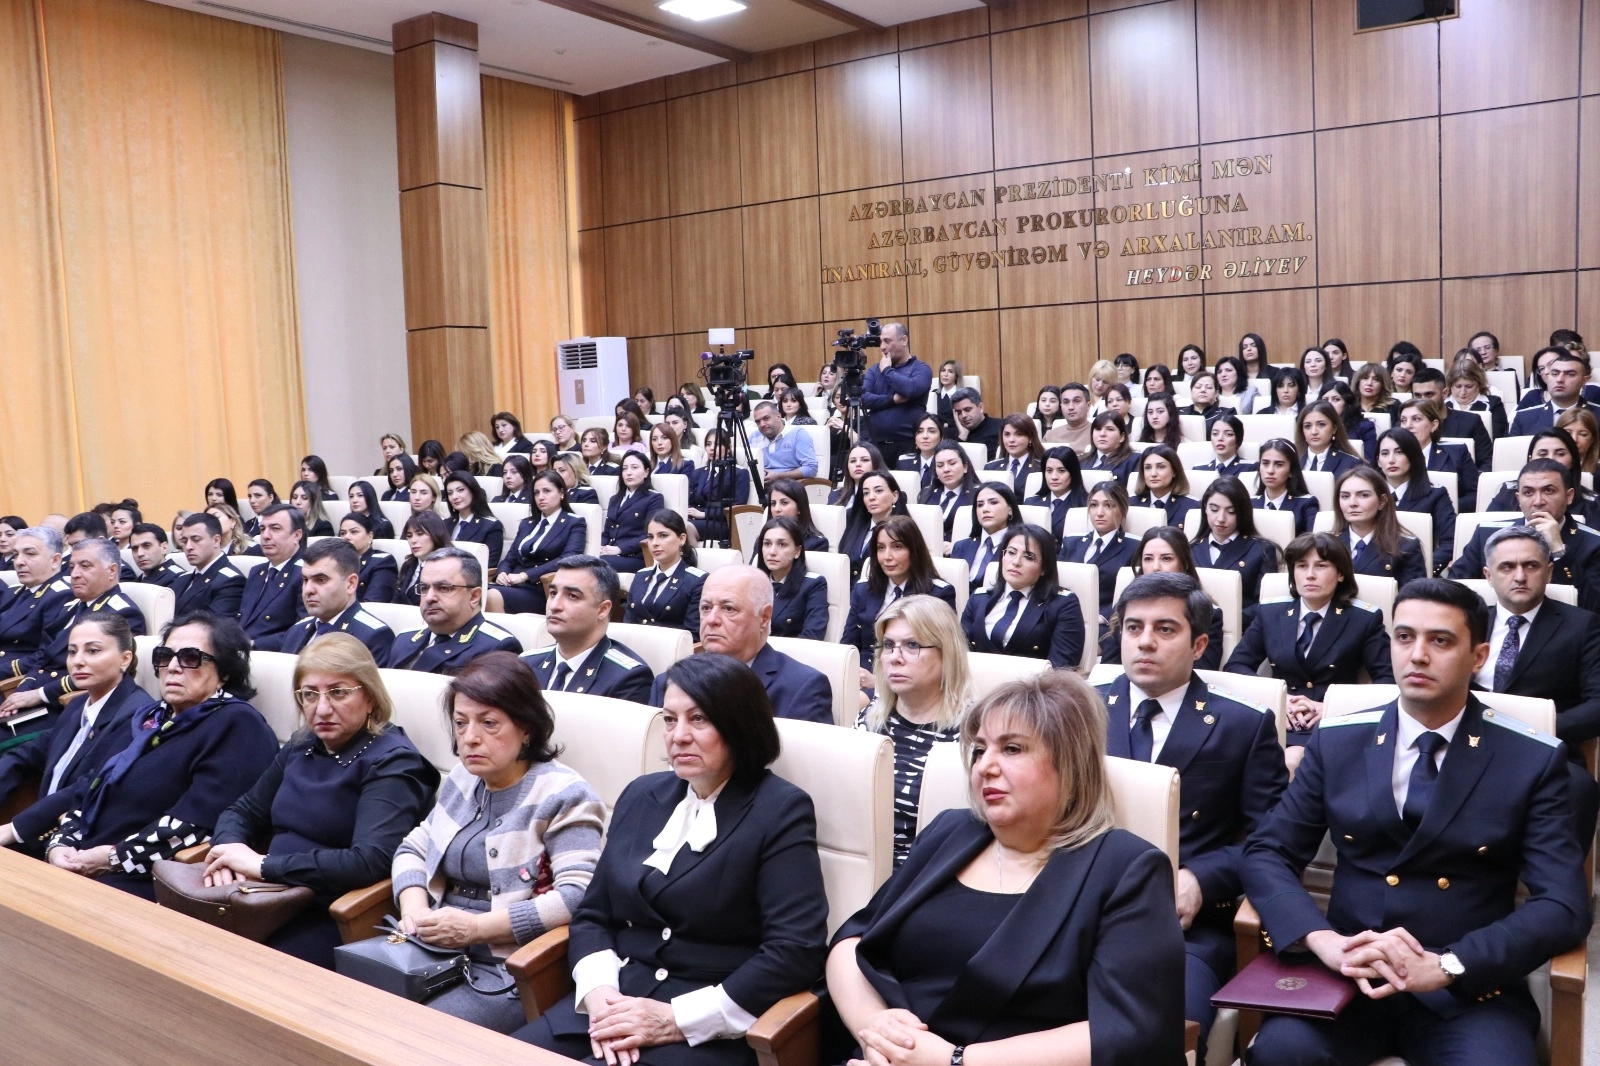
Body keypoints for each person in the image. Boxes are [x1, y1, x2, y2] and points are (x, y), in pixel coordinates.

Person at [1242, 579, 1591, 1066]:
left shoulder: (1530, 758)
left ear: (1479, 656)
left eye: (1440, 641)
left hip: (1466, 991)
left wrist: (1450, 965)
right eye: (1404, 637)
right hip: (1349, 972)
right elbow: (1267, 850)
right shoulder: (1339, 740)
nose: (1418, 655)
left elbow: (1563, 904)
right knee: (1279, 1055)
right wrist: (1321, 940)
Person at [826, 670, 1187, 1066]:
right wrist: (876, 1027)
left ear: (1070, 764)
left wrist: (954, 1060)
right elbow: (854, 939)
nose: (985, 767)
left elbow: (1128, 1026)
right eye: (979, 750)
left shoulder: (1127, 868)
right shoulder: (950, 831)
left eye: (1012, 749)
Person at [518, 653, 829, 1063]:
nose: (678, 735)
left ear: (741, 726)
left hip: (708, 1024)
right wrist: (600, 994)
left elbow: (795, 949)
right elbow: (594, 914)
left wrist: (675, 1019)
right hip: (613, 1003)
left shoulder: (781, 809)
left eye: (698, 719)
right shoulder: (641, 795)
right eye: (669, 719)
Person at [1097, 572, 1287, 1060]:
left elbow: (1275, 840)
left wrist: (1203, 877)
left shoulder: (1243, 724)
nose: (1144, 641)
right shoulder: (1082, 710)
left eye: (1165, 629)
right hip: (1080, 907)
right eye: (1133, 627)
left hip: (1186, 927)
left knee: (1161, 1035)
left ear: (1199, 643)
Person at [395, 652, 604, 1032]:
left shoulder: (564, 794)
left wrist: (475, 930)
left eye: (489, 723)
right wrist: (414, 910)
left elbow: (578, 895)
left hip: (508, 966)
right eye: (461, 723)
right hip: (431, 948)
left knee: (416, 1031)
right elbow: (413, 847)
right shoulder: (463, 778)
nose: (470, 737)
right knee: (354, 1006)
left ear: (526, 729)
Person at [201, 635, 438, 967]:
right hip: (259, 895)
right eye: (310, 694)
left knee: (240, 969)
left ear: (370, 697)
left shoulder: (393, 763)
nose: (322, 708)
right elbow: (243, 810)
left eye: (338, 692)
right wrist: (228, 856)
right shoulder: (303, 745)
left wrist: (263, 866)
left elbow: (369, 861)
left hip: (329, 911)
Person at [42, 613, 279, 899]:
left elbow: (196, 827)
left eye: (191, 658)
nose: (174, 667)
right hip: (86, 860)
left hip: (149, 879)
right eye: (165, 656)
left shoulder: (238, 725)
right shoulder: (150, 717)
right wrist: (61, 844)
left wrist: (113, 858)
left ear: (225, 672)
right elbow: (92, 789)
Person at [1474, 525, 1600, 842]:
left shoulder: (1582, 626)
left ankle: (1558, 889)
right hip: (1468, 742)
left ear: (1548, 571)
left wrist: (1535, 726)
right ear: (1489, 575)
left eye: (1530, 566)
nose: (1519, 576)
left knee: (1579, 789)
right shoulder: (1467, 623)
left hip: (1543, 749)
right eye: (1507, 567)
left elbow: (1597, 705)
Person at [0, 613, 157, 856]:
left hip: (77, 845)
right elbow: (27, 755)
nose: (78, 661)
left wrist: (15, 829)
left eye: (93, 651)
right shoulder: (77, 705)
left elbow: (89, 787)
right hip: (38, 830)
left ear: (125, 659)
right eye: (72, 652)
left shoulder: (137, 714)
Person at [1226, 532, 1392, 756]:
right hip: (1278, 719)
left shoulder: (1363, 619)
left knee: (1293, 759)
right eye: (1302, 566)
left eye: (1321, 566)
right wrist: (1277, 699)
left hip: (1331, 722)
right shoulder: (1271, 612)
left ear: (1340, 573)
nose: (1310, 575)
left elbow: (1388, 682)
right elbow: (1236, 666)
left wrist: (1334, 707)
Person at [858, 595, 971, 865]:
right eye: (888, 646)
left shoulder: (975, 733)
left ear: (947, 654)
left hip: (930, 873)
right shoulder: (871, 719)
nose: (895, 658)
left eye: (912, 645)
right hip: (862, 864)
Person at [650, 565, 832, 724]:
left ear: (764, 617)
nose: (711, 620)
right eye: (706, 608)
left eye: (728, 608)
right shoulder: (667, 682)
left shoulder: (803, 688)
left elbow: (798, 763)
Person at [1, 538, 147, 715]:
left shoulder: (122, 613)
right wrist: (22, 690)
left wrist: (39, 694)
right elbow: (42, 657)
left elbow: (104, 674)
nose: (75, 574)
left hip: (68, 706)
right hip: (33, 697)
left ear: (112, 570)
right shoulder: (68, 608)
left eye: (85, 566)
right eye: (72, 567)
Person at [1450, 461, 1600, 614]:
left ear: (1569, 496)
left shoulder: (1593, 544)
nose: (1538, 502)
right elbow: (1454, 592)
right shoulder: (1486, 534)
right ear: (1518, 498)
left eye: (1548, 491)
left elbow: (1594, 607)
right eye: (1528, 493)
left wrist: (1559, 551)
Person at [521, 556, 653, 702]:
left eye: (572, 596)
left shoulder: (627, 678)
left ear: (603, 609)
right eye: (553, 593)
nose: (554, 606)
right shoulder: (525, 664)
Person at [1099, 527, 1224, 671]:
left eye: (1166, 558)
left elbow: (1203, 673)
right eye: (1148, 559)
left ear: (1185, 564)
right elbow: (1108, 669)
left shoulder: (1209, 613)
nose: (1155, 567)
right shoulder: (1127, 608)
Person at [961, 523, 1084, 669]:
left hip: (1032, 689)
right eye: (1011, 552)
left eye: (1028, 557)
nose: (1016, 562)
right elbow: (958, 653)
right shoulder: (979, 598)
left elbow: (1061, 670)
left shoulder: (1063, 604)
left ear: (1044, 568)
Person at [845, 517, 957, 672]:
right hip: (862, 676)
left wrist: (878, 683)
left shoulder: (938, 594)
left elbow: (943, 657)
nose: (887, 557)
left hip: (912, 679)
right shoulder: (863, 590)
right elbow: (848, 645)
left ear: (914, 550)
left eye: (897, 547)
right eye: (881, 548)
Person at [385, 548, 521, 672]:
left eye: (444, 588)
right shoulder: (404, 639)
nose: (429, 598)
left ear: (474, 596)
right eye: (424, 588)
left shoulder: (496, 648)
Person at [278, 538, 395, 660]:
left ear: (350, 584)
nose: (308, 590)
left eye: (321, 580)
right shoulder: (296, 631)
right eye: (305, 580)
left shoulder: (372, 637)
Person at [494, 471, 587, 615]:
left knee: (492, 596)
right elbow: (510, 557)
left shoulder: (574, 523)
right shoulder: (527, 523)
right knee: (473, 592)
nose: (541, 497)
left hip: (541, 588)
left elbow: (568, 559)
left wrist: (525, 575)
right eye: (536, 493)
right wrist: (502, 573)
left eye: (547, 491)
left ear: (561, 493)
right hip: (512, 584)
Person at [1191, 476, 1278, 617]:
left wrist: (1230, 621)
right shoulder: (1190, 549)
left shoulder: (1261, 550)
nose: (1221, 518)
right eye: (1214, 509)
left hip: (1241, 629)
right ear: (1205, 509)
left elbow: (1266, 604)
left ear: (1242, 513)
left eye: (1231, 512)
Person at [1375, 427, 1456, 577]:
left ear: (1413, 456)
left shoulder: (1435, 495)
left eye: (1399, 452)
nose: (1391, 460)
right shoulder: (1368, 496)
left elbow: (1450, 542)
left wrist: (1424, 570)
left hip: (1419, 576)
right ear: (1378, 461)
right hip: (1374, 573)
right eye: (1385, 453)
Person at [1333, 467, 1426, 587]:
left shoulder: (1406, 547)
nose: (1352, 503)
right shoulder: (1327, 544)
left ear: (1382, 501)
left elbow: (1413, 600)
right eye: (1345, 496)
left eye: (1363, 495)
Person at [0, 526, 72, 682]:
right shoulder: (15, 592)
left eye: (30, 554)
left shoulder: (61, 596)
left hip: (16, 682)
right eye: (15, 554)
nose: (18, 562)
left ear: (55, 560)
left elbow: (46, 655)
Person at [1057, 481, 1137, 618]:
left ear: (1123, 510)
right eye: (1094, 505)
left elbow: (1133, 594)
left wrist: (1106, 617)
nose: (1099, 513)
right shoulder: (1071, 542)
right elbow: (1056, 584)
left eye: (1109, 505)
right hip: (1064, 615)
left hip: (1105, 621)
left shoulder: (1135, 547)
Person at [624, 512, 706, 640]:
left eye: (663, 536)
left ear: (682, 539)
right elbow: (627, 626)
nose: (655, 543)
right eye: (650, 537)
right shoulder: (640, 576)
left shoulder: (696, 581)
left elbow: (693, 636)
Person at [862, 321, 933, 466]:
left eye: (887, 341)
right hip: (876, 446)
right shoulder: (875, 370)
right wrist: (892, 399)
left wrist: (887, 371)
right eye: (881, 342)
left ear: (904, 340)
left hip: (908, 445)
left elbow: (910, 389)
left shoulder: (920, 368)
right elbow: (863, 398)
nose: (882, 347)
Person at [237, 503, 305, 651]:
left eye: (275, 528)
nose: (266, 536)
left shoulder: (306, 574)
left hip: (274, 657)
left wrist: (254, 645)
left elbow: (304, 632)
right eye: (262, 529)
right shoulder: (256, 572)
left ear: (297, 535)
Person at [754, 517, 828, 640]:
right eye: (767, 544)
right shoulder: (753, 583)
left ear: (797, 551)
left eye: (782, 544)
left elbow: (812, 636)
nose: (772, 552)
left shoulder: (813, 584)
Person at [1410, 368, 1492, 476]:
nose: (1423, 401)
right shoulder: (1406, 425)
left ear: (1444, 393)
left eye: (1429, 395)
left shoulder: (1471, 422)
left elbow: (1487, 463)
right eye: (1417, 395)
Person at [1510, 346, 1600, 435]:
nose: (1559, 379)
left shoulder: (1597, 414)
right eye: (1555, 374)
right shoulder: (1524, 418)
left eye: (1570, 374)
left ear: (1584, 380)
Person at [950, 482, 1021, 594]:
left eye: (993, 502)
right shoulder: (961, 546)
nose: (985, 509)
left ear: (1010, 509)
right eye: (980, 505)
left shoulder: (1019, 549)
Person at [600, 452, 662, 574]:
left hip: (635, 556)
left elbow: (650, 534)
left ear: (646, 472)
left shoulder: (653, 498)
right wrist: (601, 547)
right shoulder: (615, 499)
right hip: (610, 554)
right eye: (624, 468)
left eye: (634, 467)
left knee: (596, 563)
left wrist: (620, 549)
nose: (628, 472)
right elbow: (607, 531)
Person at [841, 470, 907, 582]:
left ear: (894, 496)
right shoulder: (855, 524)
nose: (871, 497)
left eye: (878, 491)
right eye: (866, 493)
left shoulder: (904, 530)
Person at [687, 429, 751, 546]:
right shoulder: (697, 473)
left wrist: (704, 514)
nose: (711, 448)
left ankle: (695, 562)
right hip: (696, 519)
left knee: (685, 527)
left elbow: (736, 508)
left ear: (728, 447)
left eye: (717, 444)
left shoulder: (738, 473)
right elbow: (689, 501)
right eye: (708, 444)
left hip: (722, 523)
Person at [1252, 438, 1320, 536]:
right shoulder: (1250, 503)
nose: (1270, 470)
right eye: (1265, 463)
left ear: (1291, 471)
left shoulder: (1306, 504)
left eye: (1279, 465)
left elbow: (1311, 543)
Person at [442, 471, 504, 570]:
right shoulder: (445, 524)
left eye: (460, 490)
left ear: (473, 491)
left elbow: (488, 565)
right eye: (450, 493)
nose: (455, 496)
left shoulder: (490, 526)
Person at [923, 440, 981, 544]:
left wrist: (956, 546)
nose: (946, 469)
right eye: (940, 465)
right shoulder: (925, 494)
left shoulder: (979, 495)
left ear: (965, 467)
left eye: (952, 463)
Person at [1026, 445, 1088, 542]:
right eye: (1049, 471)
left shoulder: (1086, 504)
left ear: (1073, 473)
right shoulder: (1031, 503)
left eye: (1061, 471)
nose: (1054, 477)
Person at [748, 400, 817, 482]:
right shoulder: (754, 436)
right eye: (758, 422)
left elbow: (811, 468)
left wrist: (779, 476)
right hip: (760, 483)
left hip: (789, 484)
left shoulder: (797, 434)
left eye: (766, 418)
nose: (762, 424)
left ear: (778, 416)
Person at [336, 513, 399, 603]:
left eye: (354, 532)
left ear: (370, 536)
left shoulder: (382, 561)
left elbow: (374, 602)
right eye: (343, 533)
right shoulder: (335, 561)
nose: (346, 537)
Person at [1132, 444, 1200, 528]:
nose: (1153, 474)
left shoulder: (1192, 507)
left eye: (1161, 467)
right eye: (1148, 468)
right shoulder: (1131, 504)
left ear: (1174, 471)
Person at [394, 511, 451, 607]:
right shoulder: (408, 565)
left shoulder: (448, 566)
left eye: (420, 534)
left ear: (436, 534)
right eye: (409, 536)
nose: (413, 541)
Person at [1296, 400, 1363, 476]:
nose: (1314, 432)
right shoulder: (1293, 461)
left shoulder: (1351, 464)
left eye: (1321, 425)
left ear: (1334, 428)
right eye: (1307, 426)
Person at [763, 479, 829, 554]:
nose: (777, 509)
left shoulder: (816, 544)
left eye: (784, 503)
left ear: (799, 508)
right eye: (773, 504)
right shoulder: (763, 540)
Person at [984, 414, 1044, 497]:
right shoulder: (991, 468)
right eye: (1007, 434)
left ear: (1030, 438)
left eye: (1018, 434)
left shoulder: (1041, 467)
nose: (1011, 440)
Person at [950, 386, 1002, 461]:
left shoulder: (1000, 428)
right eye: (959, 412)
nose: (963, 415)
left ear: (980, 408)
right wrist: (962, 437)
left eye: (967, 410)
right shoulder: (953, 436)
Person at [1082, 411, 1139, 481]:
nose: (1102, 434)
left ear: (1122, 437)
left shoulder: (1135, 460)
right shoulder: (1080, 461)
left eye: (1110, 429)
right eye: (1098, 429)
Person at [896, 413, 945, 492]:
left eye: (932, 431)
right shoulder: (904, 462)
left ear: (941, 437)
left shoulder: (946, 463)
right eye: (920, 431)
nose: (925, 436)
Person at [128, 523, 185, 589]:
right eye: (135, 548)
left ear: (164, 548)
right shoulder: (137, 581)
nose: (139, 554)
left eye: (147, 546)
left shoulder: (178, 578)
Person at [831, 442, 886, 509]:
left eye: (865, 460)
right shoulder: (835, 496)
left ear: (876, 463)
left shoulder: (886, 495)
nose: (858, 464)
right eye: (853, 461)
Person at [1043, 381, 1094, 453]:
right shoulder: (1050, 436)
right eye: (1066, 402)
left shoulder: (1098, 433)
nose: (1071, 407)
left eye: (1076, 401)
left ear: (1088, 405)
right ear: (1061, 406)